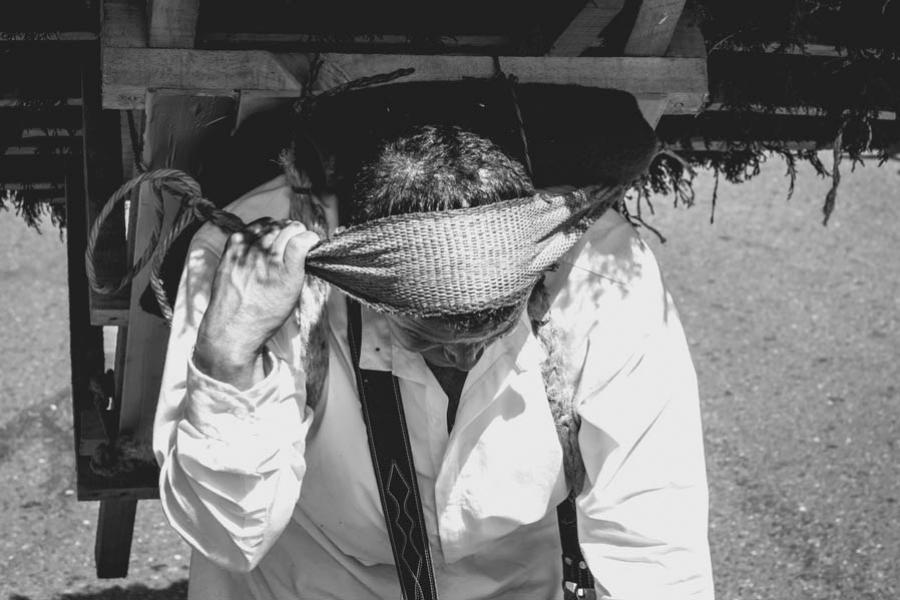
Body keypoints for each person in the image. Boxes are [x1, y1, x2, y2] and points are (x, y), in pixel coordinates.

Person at [154, 124, 714, 599]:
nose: (465, 355)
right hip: (306, 581)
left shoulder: (602, 281)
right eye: (431, 337)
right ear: (369, 291)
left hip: (511, 583)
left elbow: (655, 540)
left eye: (493, 329)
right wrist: (226, 357)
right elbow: (226, 534)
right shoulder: (257, 271)